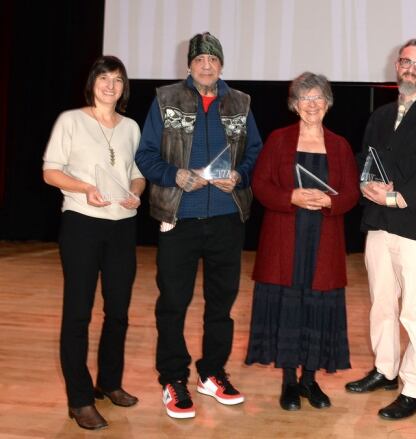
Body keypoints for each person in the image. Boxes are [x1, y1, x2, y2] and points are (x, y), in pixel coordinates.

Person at [134, 32, 262, 419]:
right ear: (189, 65)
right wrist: (176, 176)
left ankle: (211, 373)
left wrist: (238, 176)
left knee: (221, 306)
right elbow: (146, 155)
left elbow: (254, 151)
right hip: (179, 218)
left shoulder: (240, 102)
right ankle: (173, 379)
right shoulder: (166, 99)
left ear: (221, 65)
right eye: (199, 59)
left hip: (226, 219)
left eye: (213, 59)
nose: (207, 65)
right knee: (173, 304)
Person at [344, 39, 416, 420]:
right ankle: (385, 369)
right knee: (382, 304)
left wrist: (395, 197)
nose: (411, 69)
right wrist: (364, 184)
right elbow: (365, 161)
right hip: (378, 224)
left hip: (415, 227)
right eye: (406, 62)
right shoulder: (380, 114)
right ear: (396, 65)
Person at [245, 72, 359, 411]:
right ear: (295, 104)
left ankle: (310, 380)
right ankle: (289, 384)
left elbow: (352, 193)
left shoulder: (339, 145)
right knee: (288, 308)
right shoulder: (279, 139)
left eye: (318, 98)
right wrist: (290, 197)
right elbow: (260, 185)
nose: (312, 104)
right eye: (305, 98)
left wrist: (330, 202)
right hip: (284, 241)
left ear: (328, 103)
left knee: (317, 308)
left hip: (323, 242)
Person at [42, 55, 145, 430]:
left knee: (118, 311)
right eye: (104, 77)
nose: (110, 85)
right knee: (78, 313)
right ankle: (80, 399)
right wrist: (86, 188)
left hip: (122, 226)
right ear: (93, 82)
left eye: (118, 79)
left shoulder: (131, 127)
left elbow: (136, 173)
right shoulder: (71, 120)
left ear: (124, 87)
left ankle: (110, 382)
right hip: (82, 224)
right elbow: (50, 171)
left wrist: (136, 192)